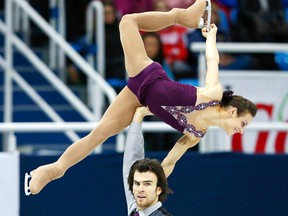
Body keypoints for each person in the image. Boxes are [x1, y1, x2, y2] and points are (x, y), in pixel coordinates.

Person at [26, 0, 257, 195]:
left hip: (139, 98)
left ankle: (54, 170)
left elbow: (168, 162)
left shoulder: (196, 134)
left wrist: (153, 191)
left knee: (99, 134)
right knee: (128, 21)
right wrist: (211, 37)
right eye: (243, 123)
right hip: (147, 75)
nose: (242, 129)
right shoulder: (213, 95)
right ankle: (180, 15)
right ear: (232, 111)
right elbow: (212, 61)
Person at [123, 107, 173, 215]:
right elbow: (131, 157)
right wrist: (138, 116)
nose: (140, 189)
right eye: (137, 183)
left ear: (158, 189)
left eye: (147, 184)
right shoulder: (136, 210)